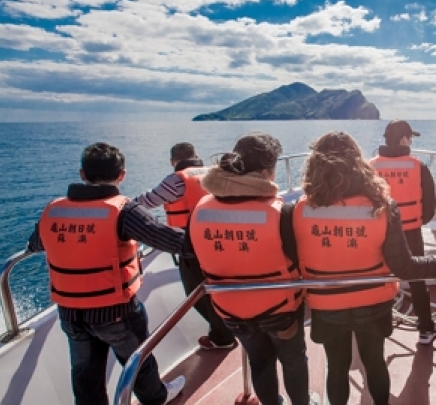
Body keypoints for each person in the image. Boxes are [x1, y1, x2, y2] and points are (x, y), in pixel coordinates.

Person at [292, 131, 436, 405]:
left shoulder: (298, 210)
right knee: (375, 363)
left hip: (327, 305)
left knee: (337, 367)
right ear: (358, 163)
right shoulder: (383, 207)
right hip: (373, 302)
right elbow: (406, 267)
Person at [26, 142, 186, 405]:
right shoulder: (122, 210)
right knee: (138, 363)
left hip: (70, 312)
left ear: (82, 174)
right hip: (115, 311)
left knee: (85, 376)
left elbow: (36, 243)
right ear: (121, 175)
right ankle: (157, 398)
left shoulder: (53, 210)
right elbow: (167, 239)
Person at [189, 133, 320, 405]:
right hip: (280, 309)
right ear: (265, 172)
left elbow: (190, 260)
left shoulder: (199, 210)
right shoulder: (281, 212)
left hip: (229, 309)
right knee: (293, 360)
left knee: (260, 361)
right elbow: (300, 258)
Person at [135, 142, 236, 350]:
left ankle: (222, 336)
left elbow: (146, 201)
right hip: (220, 240)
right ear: (196, 155)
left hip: (191, 245)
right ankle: (231, 328)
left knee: (198, 291)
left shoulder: (176, 180)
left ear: (173, 161)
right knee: (220, 286)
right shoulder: (212, 172)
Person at [370, 119, 436, 344]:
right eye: (410, 138)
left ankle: (375, 329)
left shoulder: (369, 167)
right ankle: (426, 329)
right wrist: (416, 220)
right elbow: (430, 205)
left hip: (378, 233)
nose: (411, 142)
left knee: (377, 277)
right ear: (403, 139)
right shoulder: (418, 166)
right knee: (418, 279)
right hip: (410, 232)